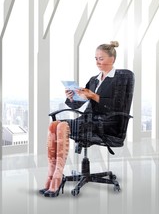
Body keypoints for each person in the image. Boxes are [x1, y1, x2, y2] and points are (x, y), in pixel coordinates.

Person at [40, 41, 133, 197]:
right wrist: (71, 98)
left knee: (62, 127)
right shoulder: (94, 79)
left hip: (107, 123)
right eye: (96, 58)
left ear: (112, 59)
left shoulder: (119, 79)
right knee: (54, 125)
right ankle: (51, 175)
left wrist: (93, 95)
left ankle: (56, 179)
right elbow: (79, 104)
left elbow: (117, 107)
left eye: (101, 58)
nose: (97, 62)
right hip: (88, 121)